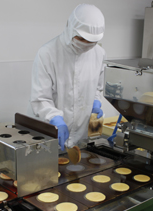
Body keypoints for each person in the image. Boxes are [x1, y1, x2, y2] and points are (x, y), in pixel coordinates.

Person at [28, 3, 106, 151]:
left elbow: (98, 87)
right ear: (71, 28)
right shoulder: (48, 53)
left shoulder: (99, 54)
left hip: (81, 138)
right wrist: (55, 119)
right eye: (82, 39)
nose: (86, 45)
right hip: (50, 134)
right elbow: (40, 99)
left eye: (91, 42)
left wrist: (96, 103)